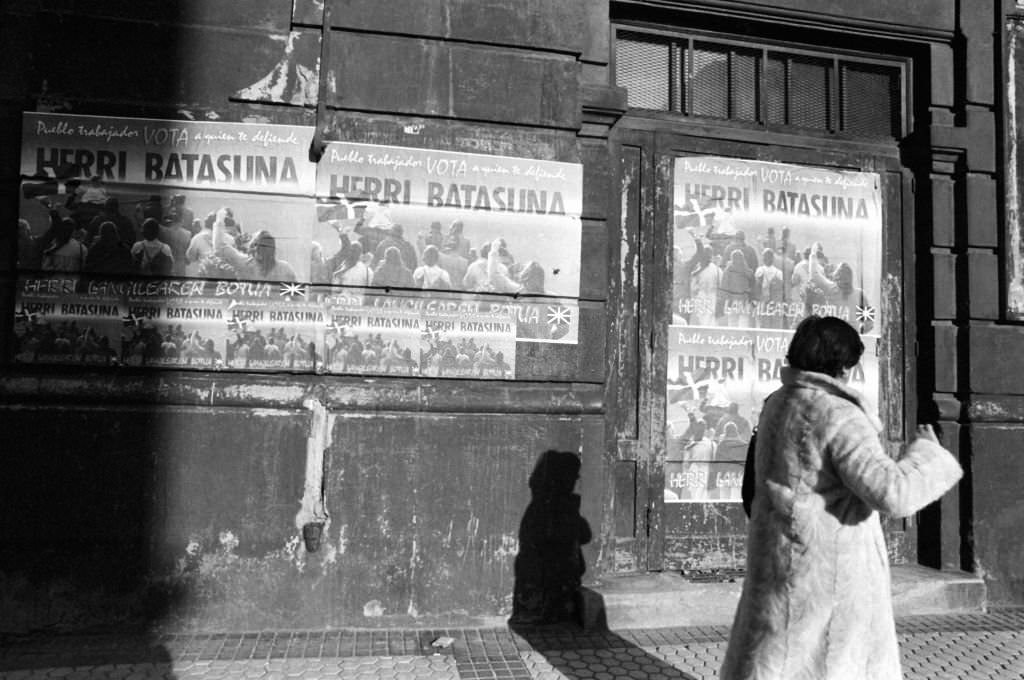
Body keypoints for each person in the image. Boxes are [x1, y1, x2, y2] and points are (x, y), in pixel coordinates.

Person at [721, 315, 963, 680]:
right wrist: (927, 455)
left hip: (781, 557)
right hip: (830, 573)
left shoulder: (778, 403)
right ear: (842, 365)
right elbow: (893, 494)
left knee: (777, 659)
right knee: (828, 663)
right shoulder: (839, 415)